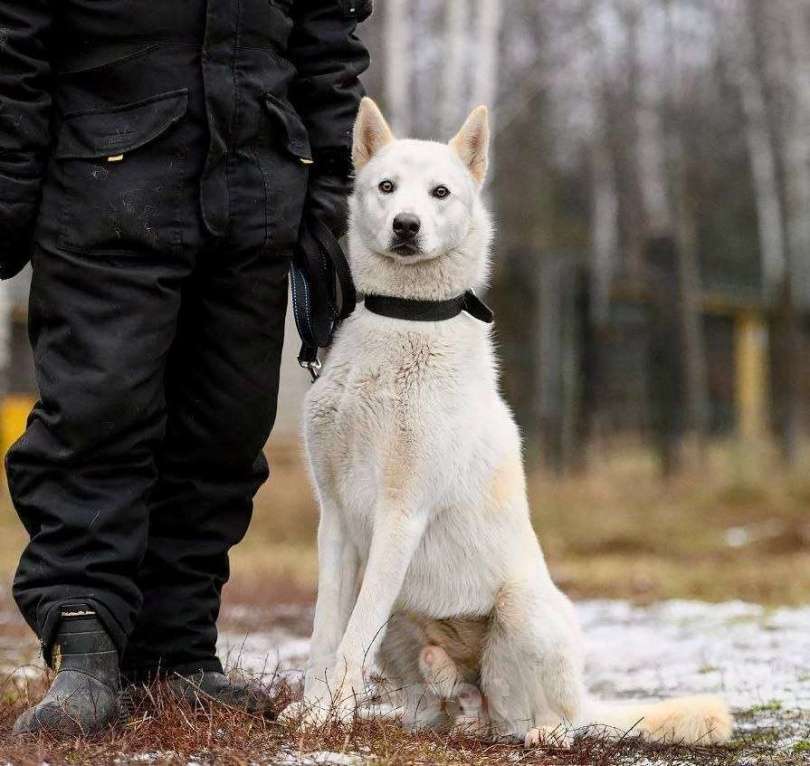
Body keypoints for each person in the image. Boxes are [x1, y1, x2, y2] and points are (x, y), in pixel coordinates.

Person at [0, 0, 370, 735]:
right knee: (96, 414)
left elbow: (328, 35)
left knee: (225, 429)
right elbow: (16, 38)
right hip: (101, 179)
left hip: (259, 184)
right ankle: (86, 645)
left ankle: (176, 652)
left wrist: (333, 187)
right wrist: (9, 190)